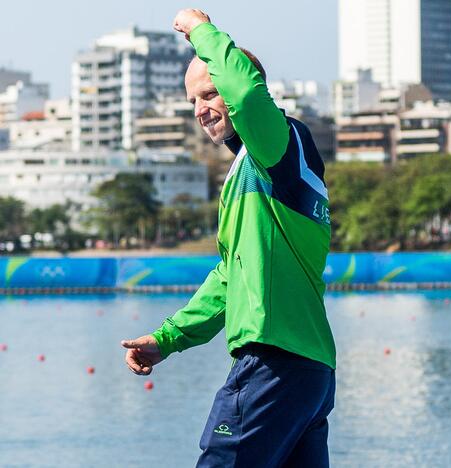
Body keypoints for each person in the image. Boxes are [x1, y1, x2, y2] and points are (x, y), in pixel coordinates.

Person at [120, 9, 336, 467]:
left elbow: (247, 95)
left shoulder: (281, 144)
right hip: (308, 371)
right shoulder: (252, 172)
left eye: (209, 92)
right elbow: (229, 277)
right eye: (192, 101)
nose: (200, 110)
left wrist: (200, 29)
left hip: (273, 363)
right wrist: (169, 338)